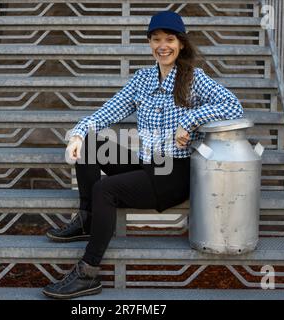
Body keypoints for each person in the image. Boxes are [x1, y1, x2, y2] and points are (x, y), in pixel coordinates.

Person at [42, 11, 243, 299]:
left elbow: (233, 106)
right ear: (149, 43)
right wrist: (77, 133)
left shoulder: (194, 79)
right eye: (156, 39)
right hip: (149, 164)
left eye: (170, 39)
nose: (163, 45)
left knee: (105, 189)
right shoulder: (142, 80)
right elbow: (110, 110)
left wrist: (191, 120)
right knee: (90, 144)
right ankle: (87, 219)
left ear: (181, 43)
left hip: (175, 172)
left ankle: (87, 273)